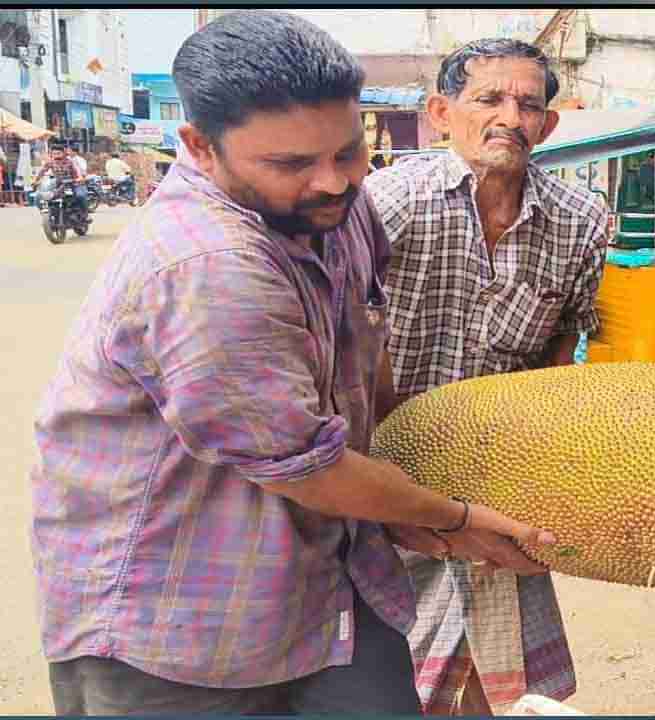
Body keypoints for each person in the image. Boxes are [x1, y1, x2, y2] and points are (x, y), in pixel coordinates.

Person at [29, 12, 552, 716]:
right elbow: (307, 464)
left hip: (325, 579)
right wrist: (449, 515)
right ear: (200, 148)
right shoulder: (207, 264)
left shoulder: (344, 207)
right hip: (173, 612)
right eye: (291, 165)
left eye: (347, 152)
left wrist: (409, 469)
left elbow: (369, 354)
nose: (332, 182)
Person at [364, 38, 608, 716]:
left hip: (501, 477)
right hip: (383, 475)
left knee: (492, 671)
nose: (511, 117)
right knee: (385, 667)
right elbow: (346, 328)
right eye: (489, 99)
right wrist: (385, 462)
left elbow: (565, 342)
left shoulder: (581, 220)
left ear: (548, 125)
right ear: (442, 113)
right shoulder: (392, 202)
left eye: (530, 105)